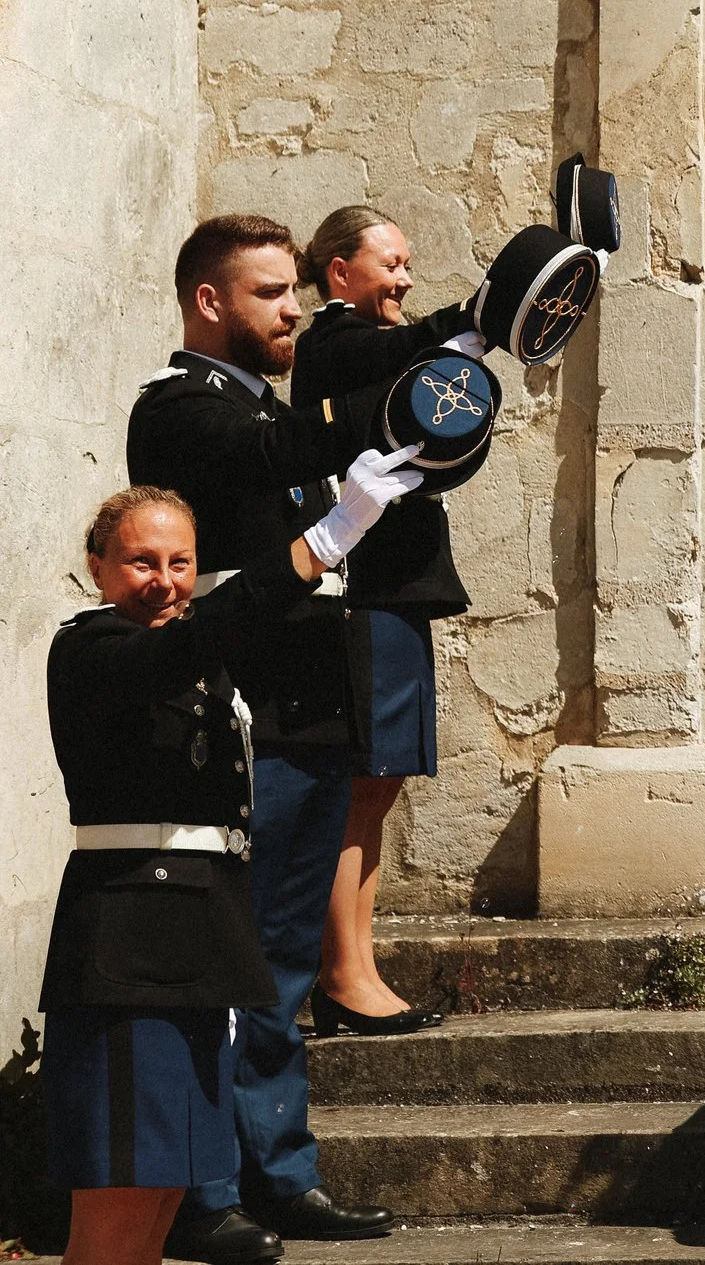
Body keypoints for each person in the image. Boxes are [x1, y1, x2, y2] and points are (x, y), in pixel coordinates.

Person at [42, 462, 419, 1265]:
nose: (163, 580)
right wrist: (313, 548)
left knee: (165, 1195)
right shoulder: (90, 648)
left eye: (180, 563)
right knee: (115, 1212)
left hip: (203, 945)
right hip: (129, 954)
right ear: (98, 567)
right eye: (141, 561)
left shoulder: (203, 664)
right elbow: (189, 642)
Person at [129, 216, 402, 1262]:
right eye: (271, 293)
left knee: (284, 961)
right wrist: (409, 375)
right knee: (220, 964)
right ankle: (201, 1194)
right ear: (211, 301)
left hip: (309, 715)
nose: (294, 310)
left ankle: (279, 1173)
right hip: (234, 722)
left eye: (293, 291)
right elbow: (280, 454)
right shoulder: (182, 409)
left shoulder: (267, 406)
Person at [290, 206, 485, 1037]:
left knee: (379, 786)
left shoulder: (377, 341)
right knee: (358, 785)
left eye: (408, 264)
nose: (404, 279)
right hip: (363, 593)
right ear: (340, 272)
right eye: (391, 263)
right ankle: (342, 974)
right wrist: (470, 317)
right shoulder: (333, 341)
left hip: (397, 590)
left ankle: (355, 966)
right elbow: (392, 355)